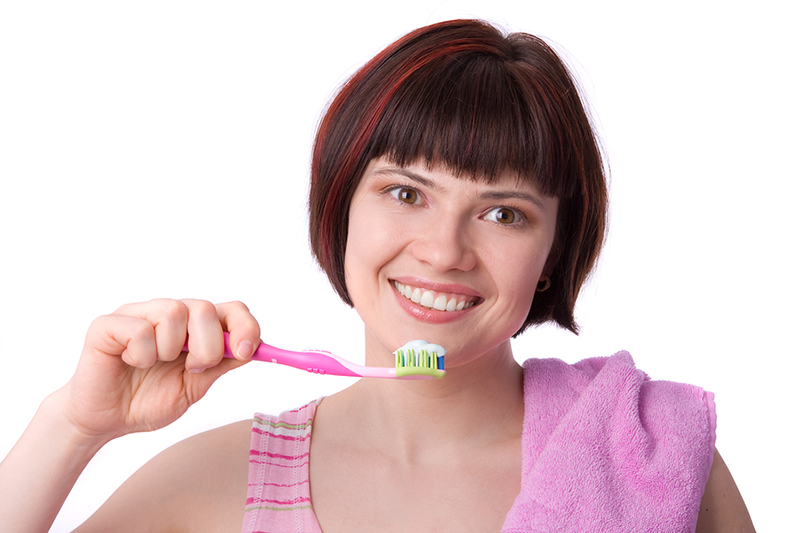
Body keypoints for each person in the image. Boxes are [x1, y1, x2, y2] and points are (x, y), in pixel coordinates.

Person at [0, 19, 754, 533]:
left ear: (555, 250)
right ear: (341, 205)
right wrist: (71, 425)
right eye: (405, 192)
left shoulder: (658, 454)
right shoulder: (210, 484)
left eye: (503, 213)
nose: (444, 249)